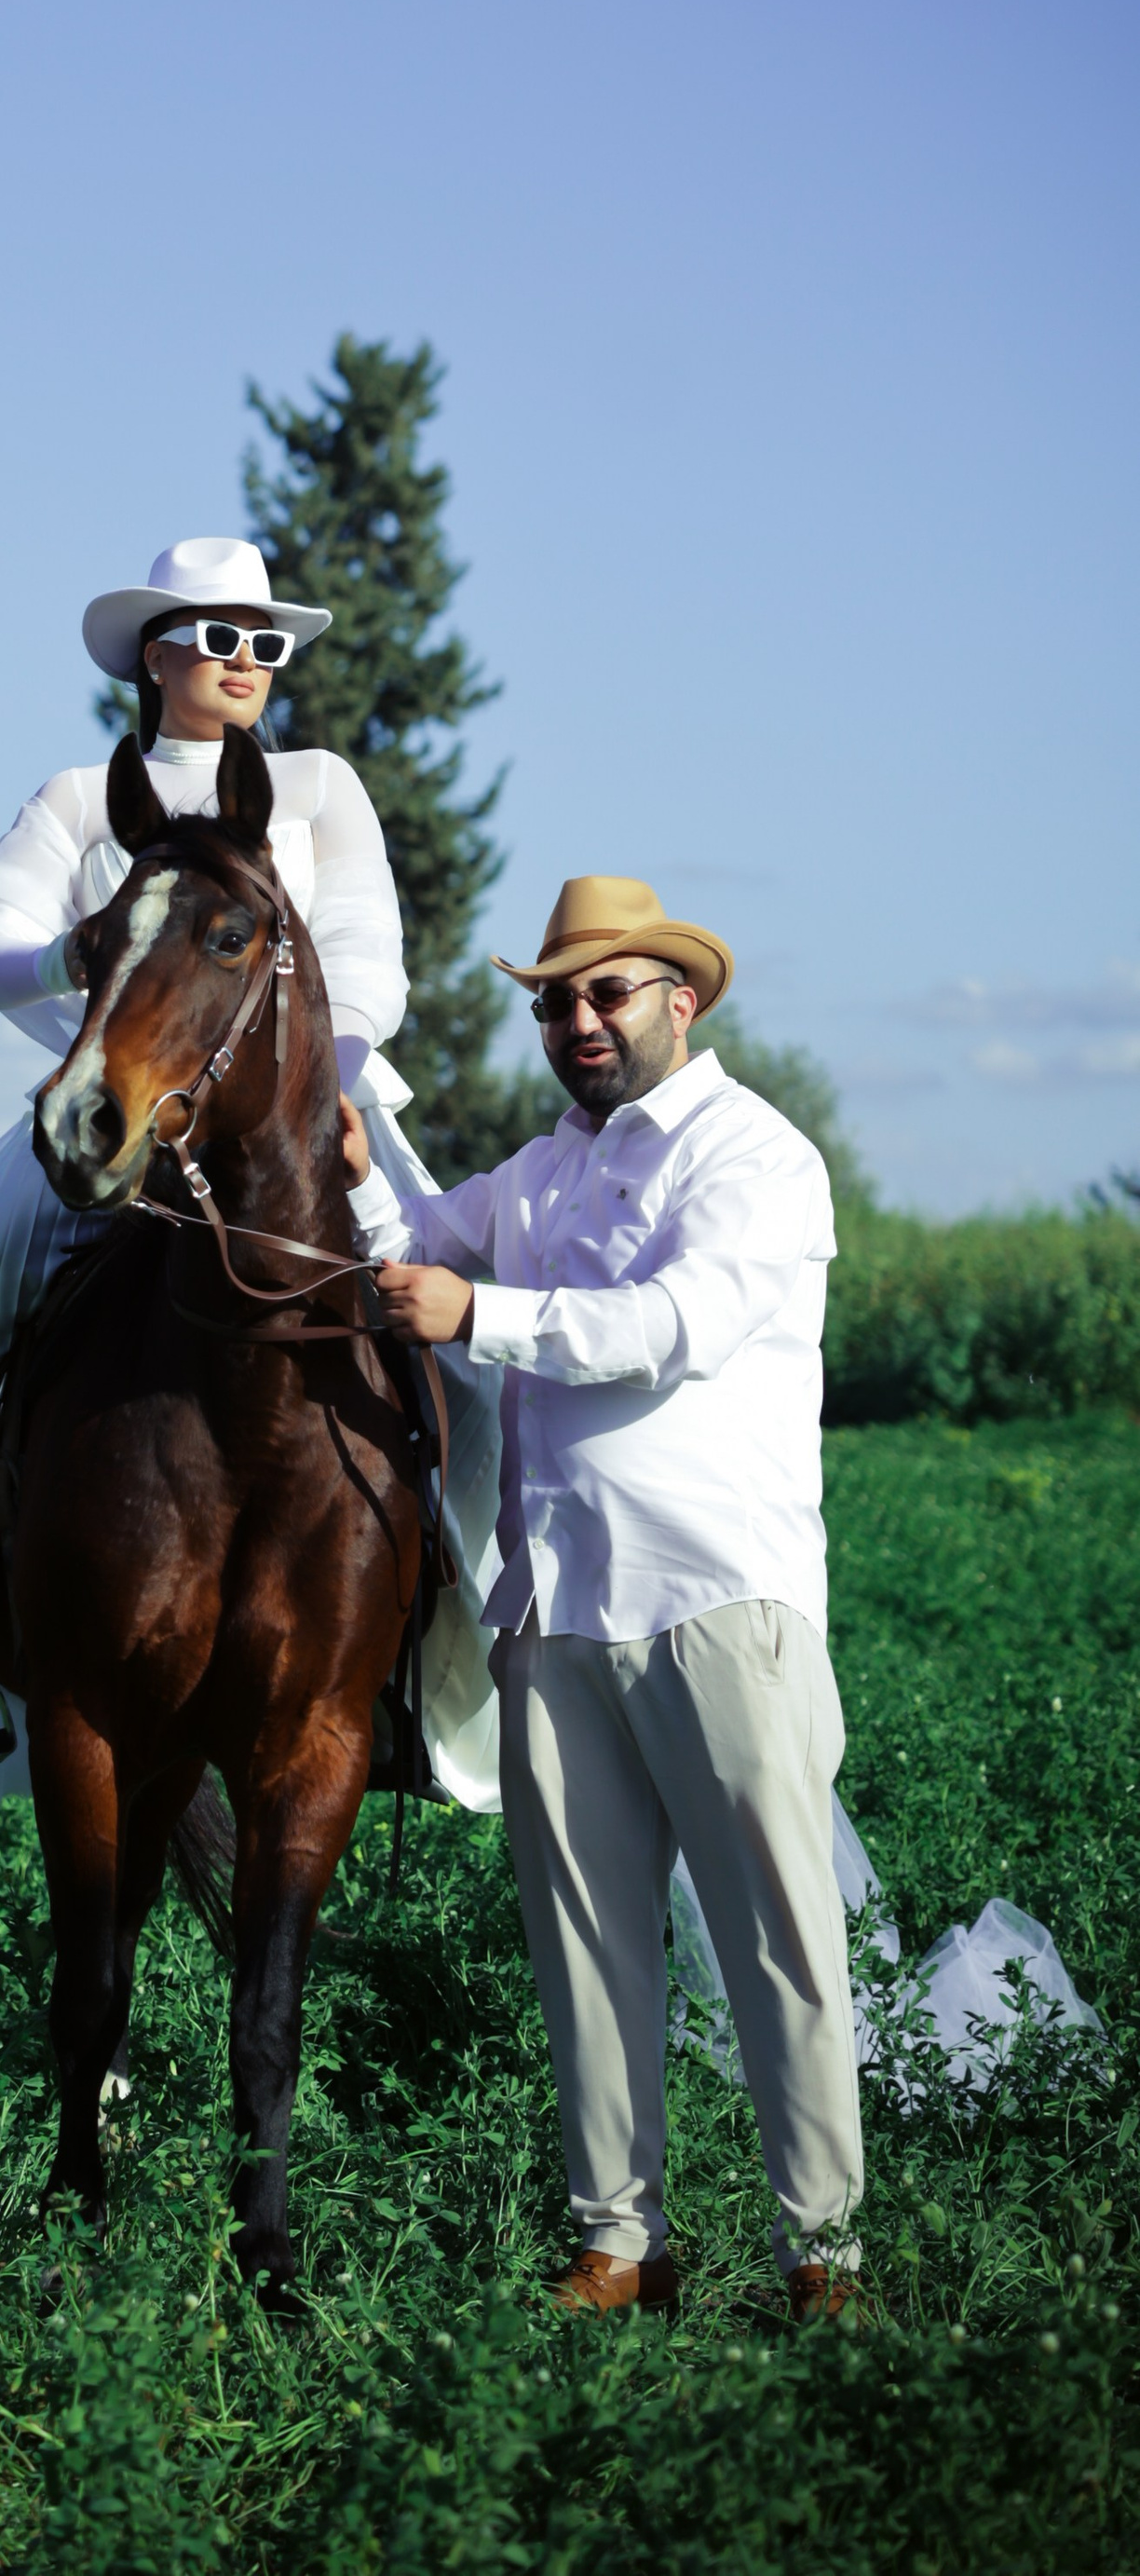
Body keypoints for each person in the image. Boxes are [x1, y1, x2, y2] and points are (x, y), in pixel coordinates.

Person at [0, 533, 505, 1817]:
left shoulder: (316, 786)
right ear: (157, 654)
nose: (248, 663)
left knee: (463, 1309)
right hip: (126, 1114)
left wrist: (326, 1096)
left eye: (268, 642)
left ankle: (489, 1617)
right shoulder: (83, 796)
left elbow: (366, 954)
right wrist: (77, 956)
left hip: (314, 1112)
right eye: (221, 638)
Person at [339, 876, 857, 2321]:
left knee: (777, 1941)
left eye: (603, 991)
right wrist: (358, 1160)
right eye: (552, 999)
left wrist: (483, 1318)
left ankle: (824, 2255)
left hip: (714, 1597)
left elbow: (672, 1330)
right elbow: (432, 1238)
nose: (574, 1019)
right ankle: (618, 2243)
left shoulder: (758, 1157)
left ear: (677, 1001)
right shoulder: (544, 1169)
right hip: (556, 1604)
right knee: (583, 1943)